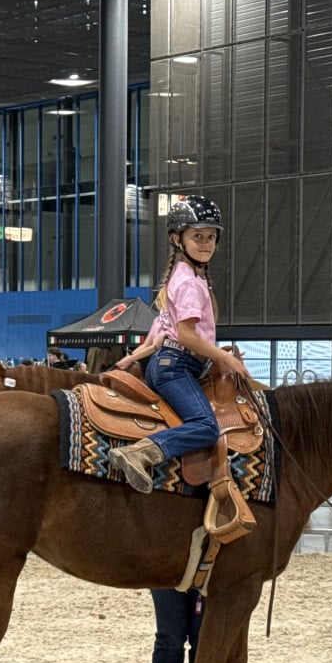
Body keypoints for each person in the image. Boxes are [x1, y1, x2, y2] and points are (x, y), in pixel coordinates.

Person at [107, 195, 250, 493]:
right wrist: (226, 360)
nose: (206, 243)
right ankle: (140, 452)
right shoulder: (186, 281)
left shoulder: (193, 277)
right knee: (206, 426)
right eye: (198, 236)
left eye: (211, 237)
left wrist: (214, 355)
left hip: (179, 362)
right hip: (177, 366)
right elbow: (185, 335)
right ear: (177, 239)